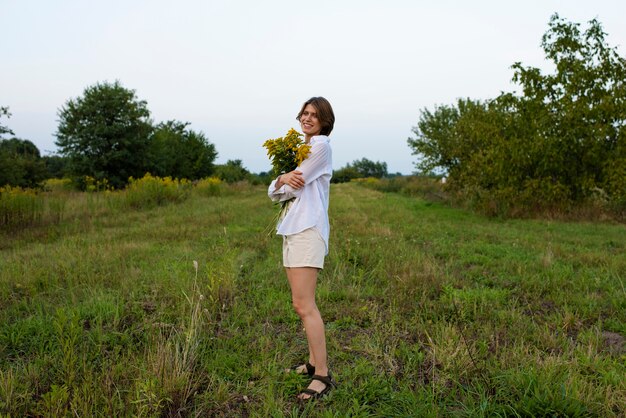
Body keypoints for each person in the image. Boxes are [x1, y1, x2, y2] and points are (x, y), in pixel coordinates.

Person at [267, 97, 337, 401]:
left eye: (314, 115)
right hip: (293, 230)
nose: (308, 118)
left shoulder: (320, 146)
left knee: (304, 304)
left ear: (324, 121)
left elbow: (293, 186)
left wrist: (283, 181)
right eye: (305, 113)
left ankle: (322, 374)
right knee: (300, 305)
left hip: (308, 229)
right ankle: (311, 363)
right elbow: (275, 192)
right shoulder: (301, 151)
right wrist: (281, 177)